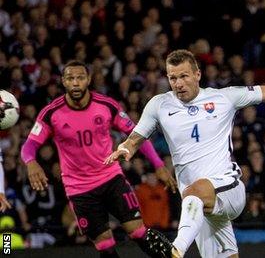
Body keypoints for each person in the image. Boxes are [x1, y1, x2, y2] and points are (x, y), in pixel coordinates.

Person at [104, 49, 265, 258]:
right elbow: (135, 138)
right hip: (196, 208)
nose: (178, 83)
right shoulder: (159, 105)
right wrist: (124, 148)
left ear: (197, 74)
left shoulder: (224, 98)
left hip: (227, 188)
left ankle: (174, 250)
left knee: (194, 193)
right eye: (173, 78)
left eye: (184, 76)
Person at [20, 60, 176, 258]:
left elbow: (137, 135)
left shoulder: (106, 105)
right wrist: (31, 162)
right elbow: (29, 146)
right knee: (105, 245)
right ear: (63, 82)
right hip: (79, 189)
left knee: (138, 232)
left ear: (89, 79)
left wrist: (159, 164)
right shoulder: (51, 113)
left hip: (111, 178)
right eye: (70, 78)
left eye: (80, 78)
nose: (75, 83)